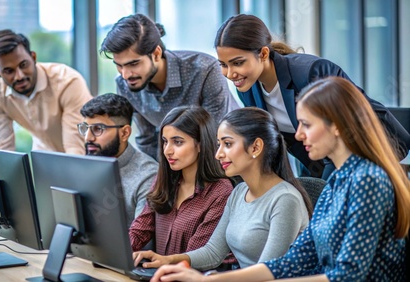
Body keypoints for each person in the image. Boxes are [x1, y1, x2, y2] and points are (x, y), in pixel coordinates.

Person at [151, 76, 410, 282]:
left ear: (336, 126)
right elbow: (292, 261)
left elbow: (346, 276)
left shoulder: (367, 180)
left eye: (306, 125)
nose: (298, 135)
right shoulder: (337, 183)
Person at [214, 14, 410, 179]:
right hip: (322, 164)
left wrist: (324, 188)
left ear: (264, 54)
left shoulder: (310, 73)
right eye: (223, 65)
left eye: (238, 63)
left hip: (369, 150)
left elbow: (343, 135)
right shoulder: (248, 87)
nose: (230, 74)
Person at [132, 107, 312, 271]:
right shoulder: (239, 192)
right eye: (218, 145)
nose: (218, 154)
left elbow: (267, 271)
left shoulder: (285, 199)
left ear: (255, 147)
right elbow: (212, 252)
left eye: (227, 144)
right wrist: (167, 260)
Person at [100, 14, 239, 160]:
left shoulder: (205, 69)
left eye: (133, 64)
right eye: (119, 66)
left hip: (229, 157)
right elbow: (147, 141)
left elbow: (213, 136)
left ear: (156, 54)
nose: (125, 74)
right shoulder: (124, 84)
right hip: (179, 165)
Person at [129, 106, 233, 259]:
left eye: (177, 142)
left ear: (200, 144)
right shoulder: (164, 180)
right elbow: (140, 230)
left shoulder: (221, 191)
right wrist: (119, 252)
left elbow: (196, 256)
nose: (167, 151)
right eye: (165, 142)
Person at [0, 29, 93, 154]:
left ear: (33, 57)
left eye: (23, 65)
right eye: (9, 71)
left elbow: (75, 148)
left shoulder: (68, 82)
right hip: (45, 158)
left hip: (86, 158)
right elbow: (2, 151)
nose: (19, 76)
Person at [79, 93, 158, 227]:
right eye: (85, 128)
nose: (88, 138)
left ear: (124, 133)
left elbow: (142, 240)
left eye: (98, 129)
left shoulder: (149, 176)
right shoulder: (82, 167)